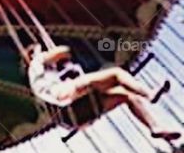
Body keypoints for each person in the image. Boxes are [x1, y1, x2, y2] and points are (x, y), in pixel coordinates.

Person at [24, 43, 179, 141]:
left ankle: (154, 127)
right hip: (61, 97)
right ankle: (149, 94)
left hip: (73, 118)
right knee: (116, 73)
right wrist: (47, 51)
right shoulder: (37, 62)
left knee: (126, 95)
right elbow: (65, 51)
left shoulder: (42, 77)